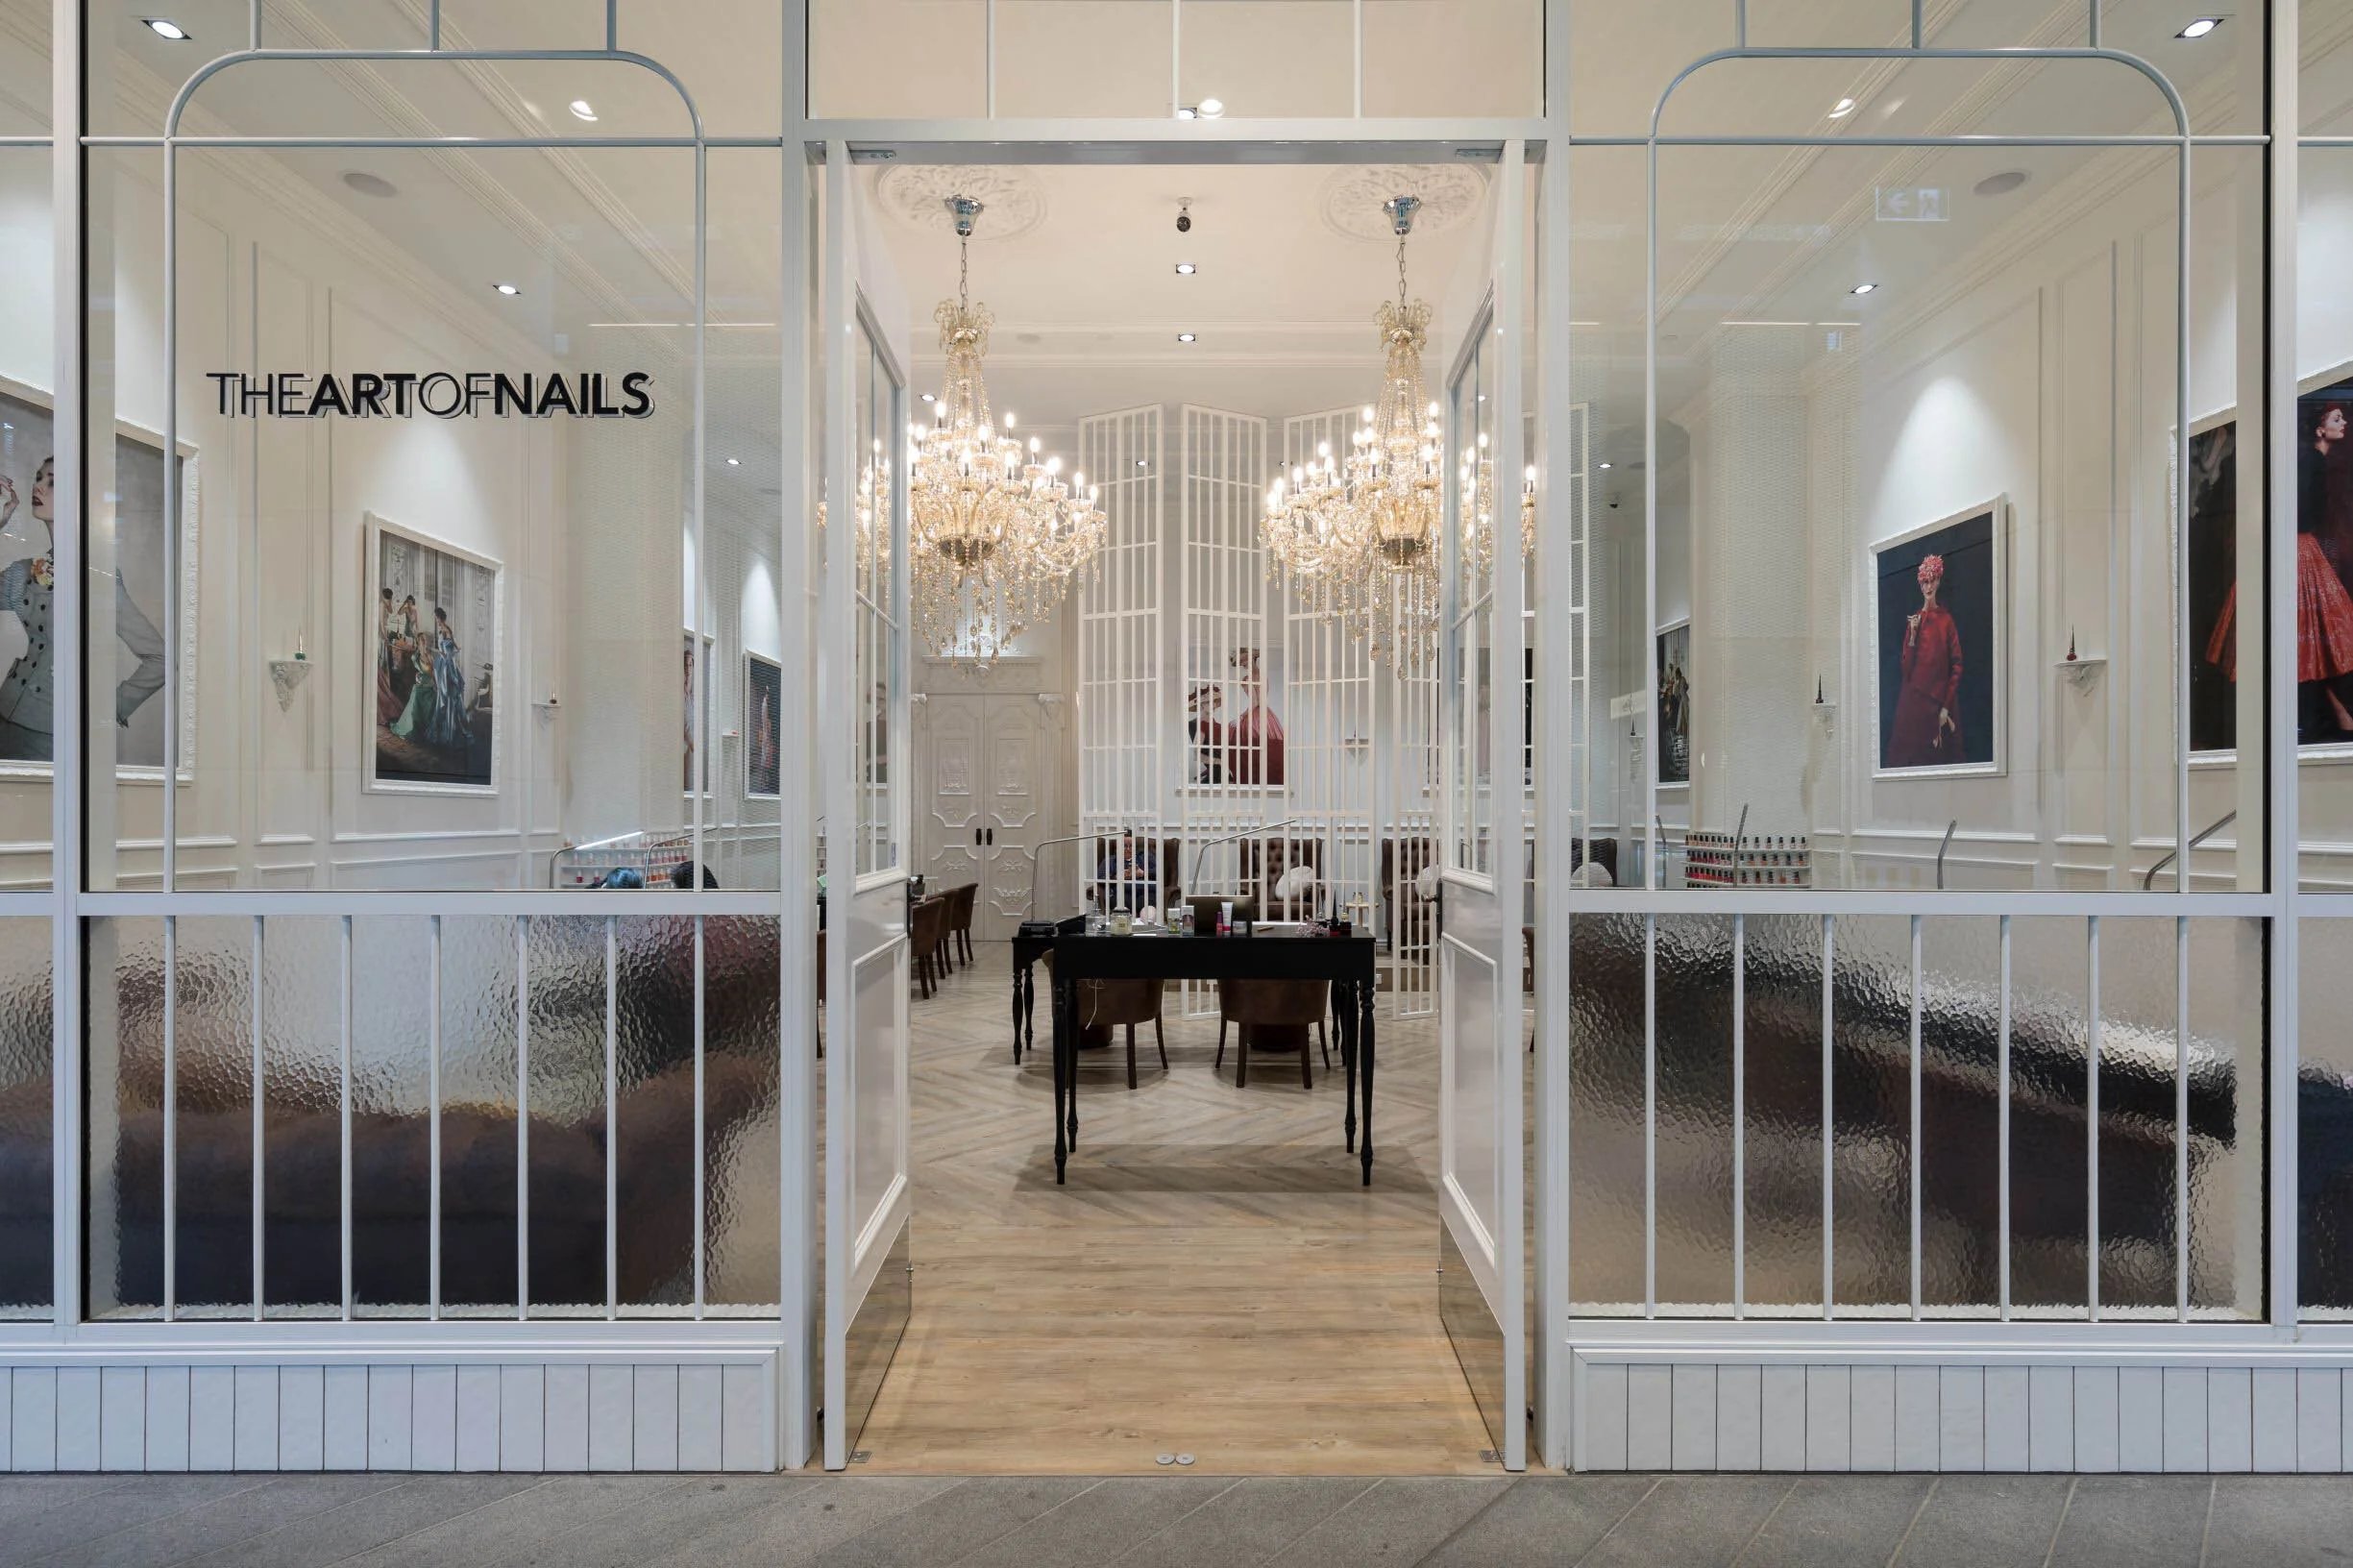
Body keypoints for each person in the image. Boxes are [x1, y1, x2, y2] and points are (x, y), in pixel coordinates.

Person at [0, 454, 167, 762]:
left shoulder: (98, 577)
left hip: (51, 729)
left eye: (53, 482)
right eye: (39, 477)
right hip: (5, 710)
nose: (39, 486)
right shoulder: (25, 571)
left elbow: (161, 659)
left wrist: (108, 709)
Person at [2207, 402, 2353, 740]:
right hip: (2294, 548)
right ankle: (2319, 716)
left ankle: (2332, 714)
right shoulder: (2310, 461)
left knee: (2311, 639)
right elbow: (2298, 513)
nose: (2344, 422)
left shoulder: (2316, 460)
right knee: (2303, 637)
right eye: (2336, 418)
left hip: (2298, 546)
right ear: (2320, 429)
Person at [1887, 552, 1963, 769]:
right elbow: (1906, 669)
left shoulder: (1946, 620)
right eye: (1925, 582)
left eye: (1932, 581)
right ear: (1920, 585)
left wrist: (1946, 707)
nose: (1928, 587)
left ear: (1938, 581)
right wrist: (1912, 635)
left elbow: (1957, 665)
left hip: (1939, 702)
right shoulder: (1914, 621)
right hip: (1914, 705)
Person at [426, 606, 469, 749]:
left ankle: (448, 730)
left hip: (445, 665)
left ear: (439, 617)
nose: (435, 620)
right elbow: (455, 646)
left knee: (446, 695)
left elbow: (443, 652)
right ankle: (451, 726)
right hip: (449, 663)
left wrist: (436, 652)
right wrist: (453, 652)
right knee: (450, 695)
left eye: (436, 617)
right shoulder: (448, 629)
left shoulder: (442, 631)